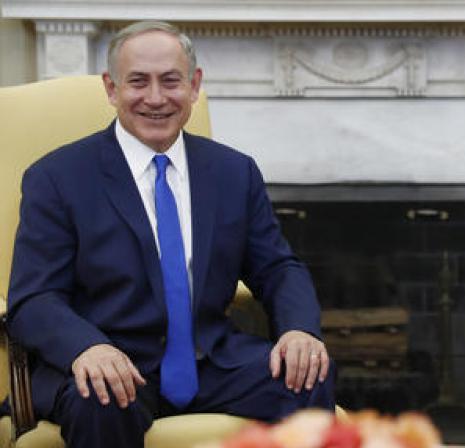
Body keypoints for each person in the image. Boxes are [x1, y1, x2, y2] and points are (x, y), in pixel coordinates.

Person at [6, 21, 334, 448]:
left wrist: (300, 331)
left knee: (307, 377)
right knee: (102, 397)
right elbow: (33, 299)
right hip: (109, 361)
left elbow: (276, 267)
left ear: (194, 86)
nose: (156, 98)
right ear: (111, 88)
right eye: (138, 82)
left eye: (171, 81)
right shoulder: (57, 177)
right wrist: (86, 349)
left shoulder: (234, 172)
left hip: (212, 360)